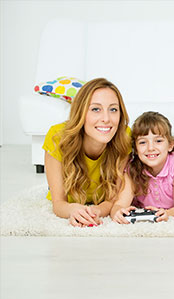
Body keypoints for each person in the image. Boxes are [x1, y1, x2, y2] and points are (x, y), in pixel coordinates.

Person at [43, 78, 131, 227]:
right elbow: (58, 204)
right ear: (81, 113)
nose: (106, 119)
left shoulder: (124, 136)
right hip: (72, 202)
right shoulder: (57, 137)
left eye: (113, 109)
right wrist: (72, 210)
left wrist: (97, 211)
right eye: (96, 109)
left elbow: (112, 199)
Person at [111, 111, 174, 223]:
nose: (150, 148)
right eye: (143, 142)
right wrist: (117, 212)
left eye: (158, 141)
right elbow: (119, 204)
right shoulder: (132, 168)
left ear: (170, 145)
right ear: (136, 148)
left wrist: (167, 213)